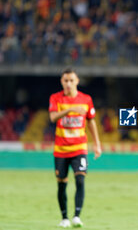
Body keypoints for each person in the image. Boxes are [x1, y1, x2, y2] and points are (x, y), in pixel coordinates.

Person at [49, 68, 102, 228]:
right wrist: (70, 109)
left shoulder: (86, 99)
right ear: (62, 82)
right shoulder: (56, 98)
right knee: (62, 183)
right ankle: (64, 218)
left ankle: (76, 216)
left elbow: (91, 121)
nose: (69, 83)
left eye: (72, 80)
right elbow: (52, 117)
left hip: (79, 148)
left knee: (80, 180)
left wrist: (97, 144)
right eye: (66, 80)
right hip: (61, 150)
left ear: (77, 81)